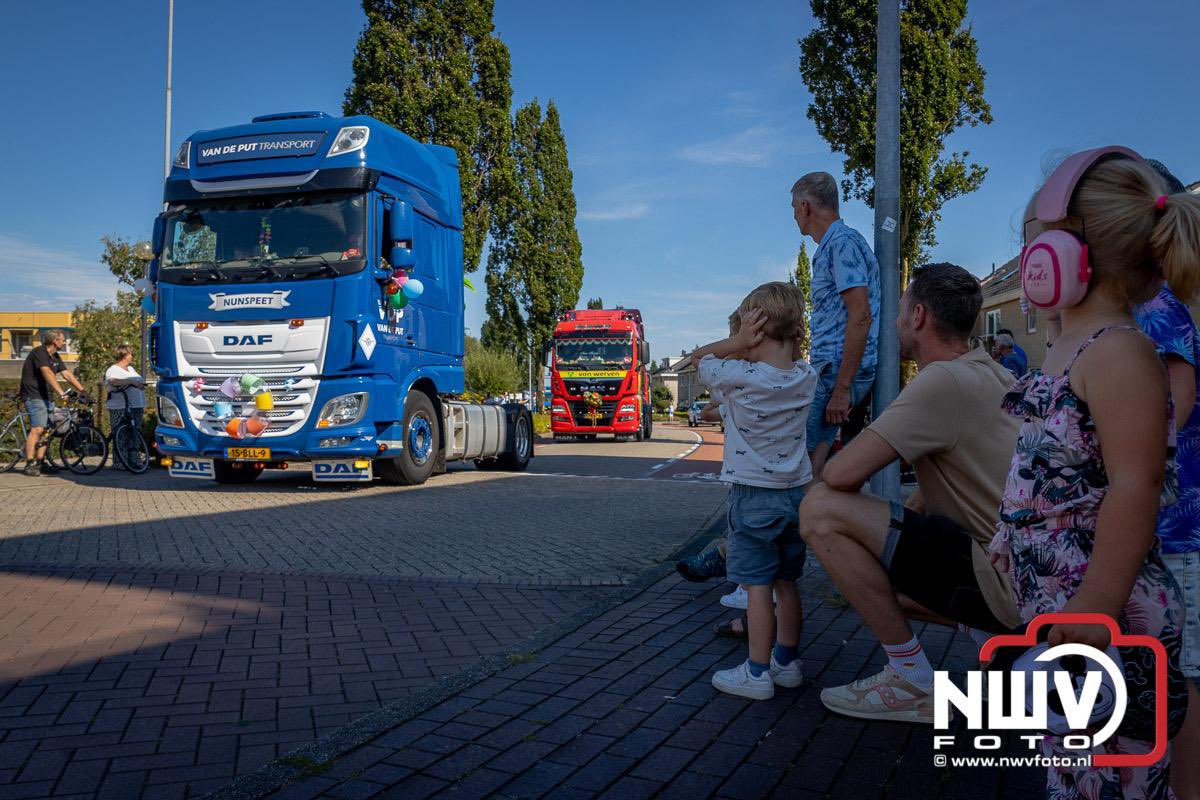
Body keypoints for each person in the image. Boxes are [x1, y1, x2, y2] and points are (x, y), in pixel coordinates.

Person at [989, 146, 1192, 797]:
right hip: (1068, 612)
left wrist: (1097, 603)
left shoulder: (1120, 353)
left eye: (1029, 247)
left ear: (1064, 256)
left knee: (1113, 776)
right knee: (1073, 767)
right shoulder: (1067, 348)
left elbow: (1137, 486)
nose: (1025, 267)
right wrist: (1010, 531)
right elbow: (1047, 467)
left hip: (1110, 619)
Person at [798, 263, 1022, 723]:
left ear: (918, 316)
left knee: (820, 509)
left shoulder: (940, 381)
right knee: (880, 583)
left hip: (1002, 586)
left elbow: (840, 478)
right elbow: (948, 483)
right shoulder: (992, 373)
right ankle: (996, 641)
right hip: (1027, 577)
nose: (895, 323)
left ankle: (911, 679)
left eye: (899, 311)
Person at [691, 282, 815, 699]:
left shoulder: (737, 376)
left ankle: (757, 672)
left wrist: (737, 341)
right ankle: (787, 662)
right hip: (796, 494)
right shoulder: (806, 375)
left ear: (755, 330)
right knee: (786, 582)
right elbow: (790, 357)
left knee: (758, 588)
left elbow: (698, 359)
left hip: (752, 497)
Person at [791, 172, 880, 479]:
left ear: (805, 207)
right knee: (812, 465)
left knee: (803, 466)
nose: (794, 215)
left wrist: (842, 389)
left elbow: (861, 315)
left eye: (793, 208)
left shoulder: (841, 245)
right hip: (832, 368)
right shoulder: (834, 246)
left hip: (836, 370)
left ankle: (812, 525)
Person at [19, 330, 87, 476]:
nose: (64, 342)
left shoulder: (55, 356)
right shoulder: (40, 353)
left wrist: (83, 390)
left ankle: (40, 462)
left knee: (47, 430)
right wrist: (62, 393)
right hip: (34, 395)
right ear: (55, 341)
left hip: (46, 396)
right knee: (37, 428)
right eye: (62, 340)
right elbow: (47, 373)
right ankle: (29, 463)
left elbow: (66, 373)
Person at [105, 344, 147, 465]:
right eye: (130, 354)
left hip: (136, 406)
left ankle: (134, 461)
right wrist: (130, 381)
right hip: (120, 406)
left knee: (135, 433)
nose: (132, 356)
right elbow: (112, 381)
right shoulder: (113, 369)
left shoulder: (131, 369)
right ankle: (120, 462)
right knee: (121, 434)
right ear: (124, 355)